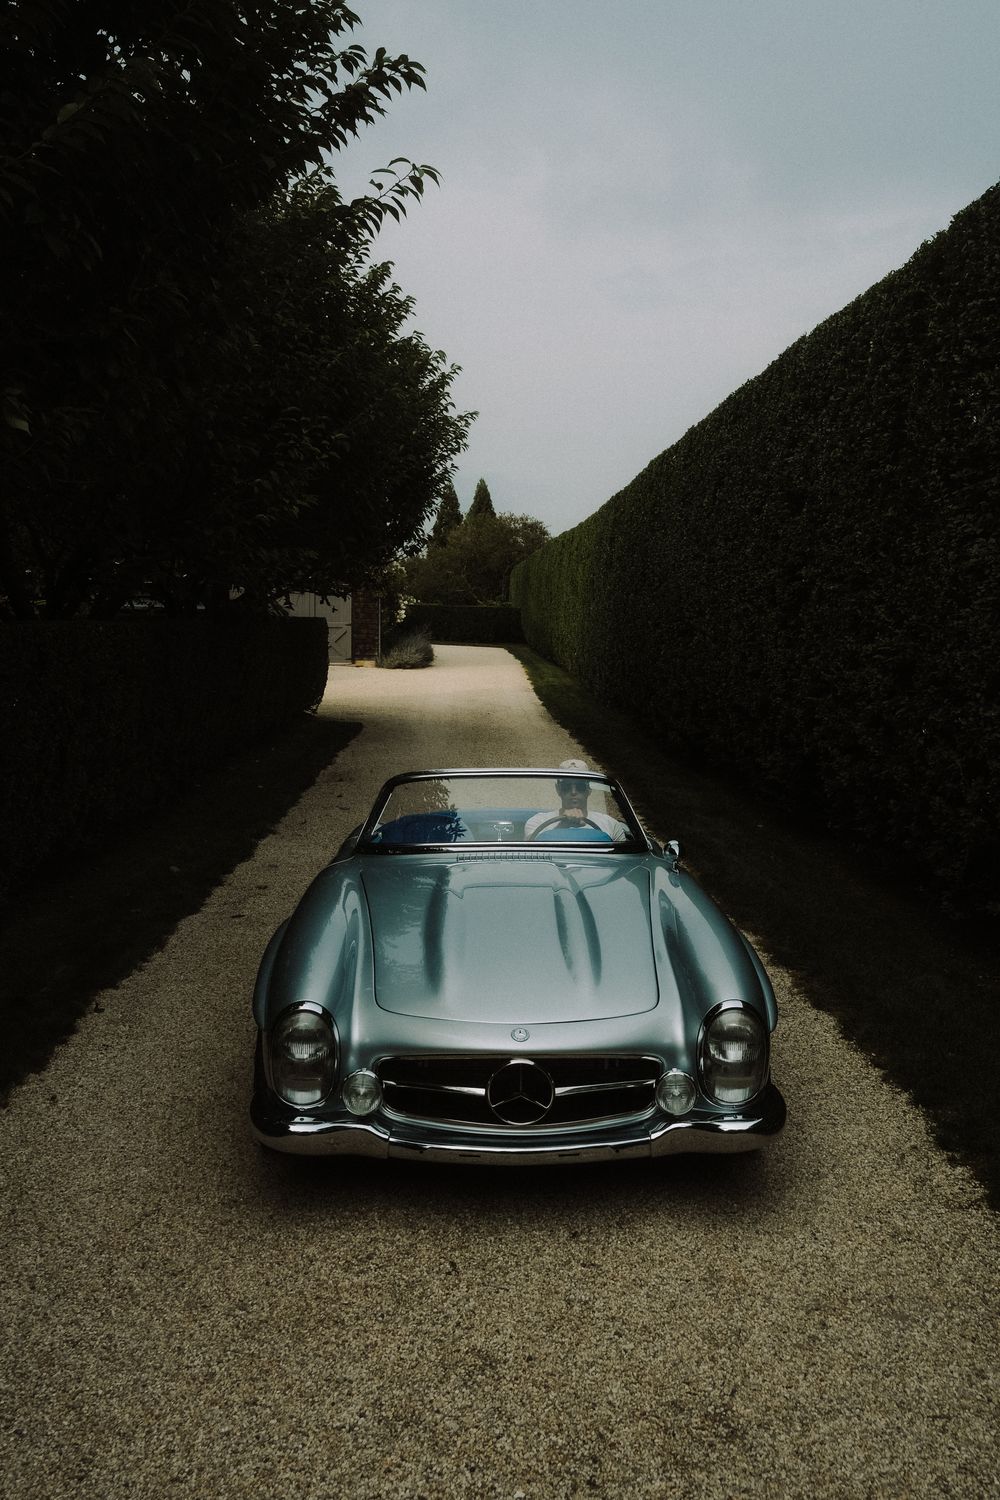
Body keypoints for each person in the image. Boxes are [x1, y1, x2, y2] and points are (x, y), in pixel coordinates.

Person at [523, 760, 631, 842]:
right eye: (566, 786)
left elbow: (622, 859)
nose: (573, 792)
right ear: (558, 789)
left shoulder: (610, 824)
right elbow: (532, 854)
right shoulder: (537, 822)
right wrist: (562, 825)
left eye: (580, 786)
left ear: (588, 790)